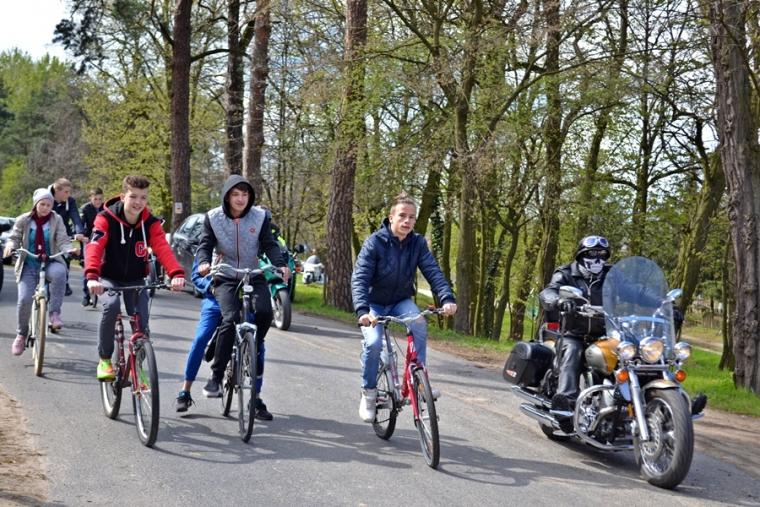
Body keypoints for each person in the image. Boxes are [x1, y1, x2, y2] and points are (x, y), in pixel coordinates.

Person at [351, 191, 457, 423]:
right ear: (391, 218)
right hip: (374, 304)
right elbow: (360, 278)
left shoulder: (417, 243)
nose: (407, 221)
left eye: (412, 217)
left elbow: (433, 271)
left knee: (419, 324)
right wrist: (362, 311)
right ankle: (369, 393)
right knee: (374, 343)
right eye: (402, 216)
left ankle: (418, 381)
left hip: (400, 301)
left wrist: (447, 298)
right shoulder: (375, 243)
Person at [196, 175, 290, 411]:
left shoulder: (259, 217)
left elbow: (269, 244)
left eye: (245, 194)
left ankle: (253, 345)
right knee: (230, 318)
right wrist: (204, 262)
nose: (240, 199)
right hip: (225, 275)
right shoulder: (213, 217)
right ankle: (216, 377)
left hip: (252, 273)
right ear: (227, 196)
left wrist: (280, 265)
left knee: (265, 313)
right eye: (236, 194)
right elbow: (205, 244)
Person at [85, 175, 185, 380]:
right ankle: (105, 359)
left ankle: (137, 366)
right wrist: (92, 276)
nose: (138, 202)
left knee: (141, 324)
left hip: (136, 279)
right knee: (111, 306)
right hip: (108, 277)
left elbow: (162, 248)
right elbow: (94, 247)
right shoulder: (105, 218)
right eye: (133, 196)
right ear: (123, 197)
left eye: (143, 197)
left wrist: (176, 273)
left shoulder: (151, 223)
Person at [173, 258, 272, 420]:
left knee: (258, 343)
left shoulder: (248, 248)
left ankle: (256, 398)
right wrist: (211, 287)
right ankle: (185, 391)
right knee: (200, 339)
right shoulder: (207, 249)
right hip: (214, 300)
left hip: (241, 301)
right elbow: (196, 276)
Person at [538, 235, 611, 415]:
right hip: (571, 332)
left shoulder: (611, 275)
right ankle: (566, 402)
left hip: (603, 334)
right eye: (592, 254)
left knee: (626, 354)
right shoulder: (566, 273)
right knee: (573, 351)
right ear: (581, 255)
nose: (597, 259)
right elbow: (548, 292)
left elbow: (637, 292)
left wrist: (663, 302)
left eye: (602, 255)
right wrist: (559, 300)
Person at [3, 188, 78, 355]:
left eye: (49, 205)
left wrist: (69, 250)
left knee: (60, 273)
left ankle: (54, 314)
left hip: (50, 261)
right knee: (24, 299)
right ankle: (21, 335)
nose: (45, 208)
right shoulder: (24, 219)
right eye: (42, 204)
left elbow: (63, 239)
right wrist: (10, 246)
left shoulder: (56, 219)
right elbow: (14, 237)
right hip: (29, 264)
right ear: (36, 204)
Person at [49, 178, 87, 296]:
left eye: (69, 192)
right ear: (56, 190)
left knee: (67, 254)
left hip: (64, 232)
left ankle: (64, 281)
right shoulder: (46, 198)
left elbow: (75, 217)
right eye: (66, 192)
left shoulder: (70, 201)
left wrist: (79, 232)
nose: (68, 194)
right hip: (47, 231)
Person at [79, 187, 104, 306]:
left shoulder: (106, 208)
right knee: (88, 266)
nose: (98, 202)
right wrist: (83, 236)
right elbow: (81, 224)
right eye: (95, 199)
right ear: (90, 198)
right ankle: (86, 294)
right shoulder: (85, 209)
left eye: (100, 199)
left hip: (102, 239)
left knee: (104, 265)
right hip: (89, 239)